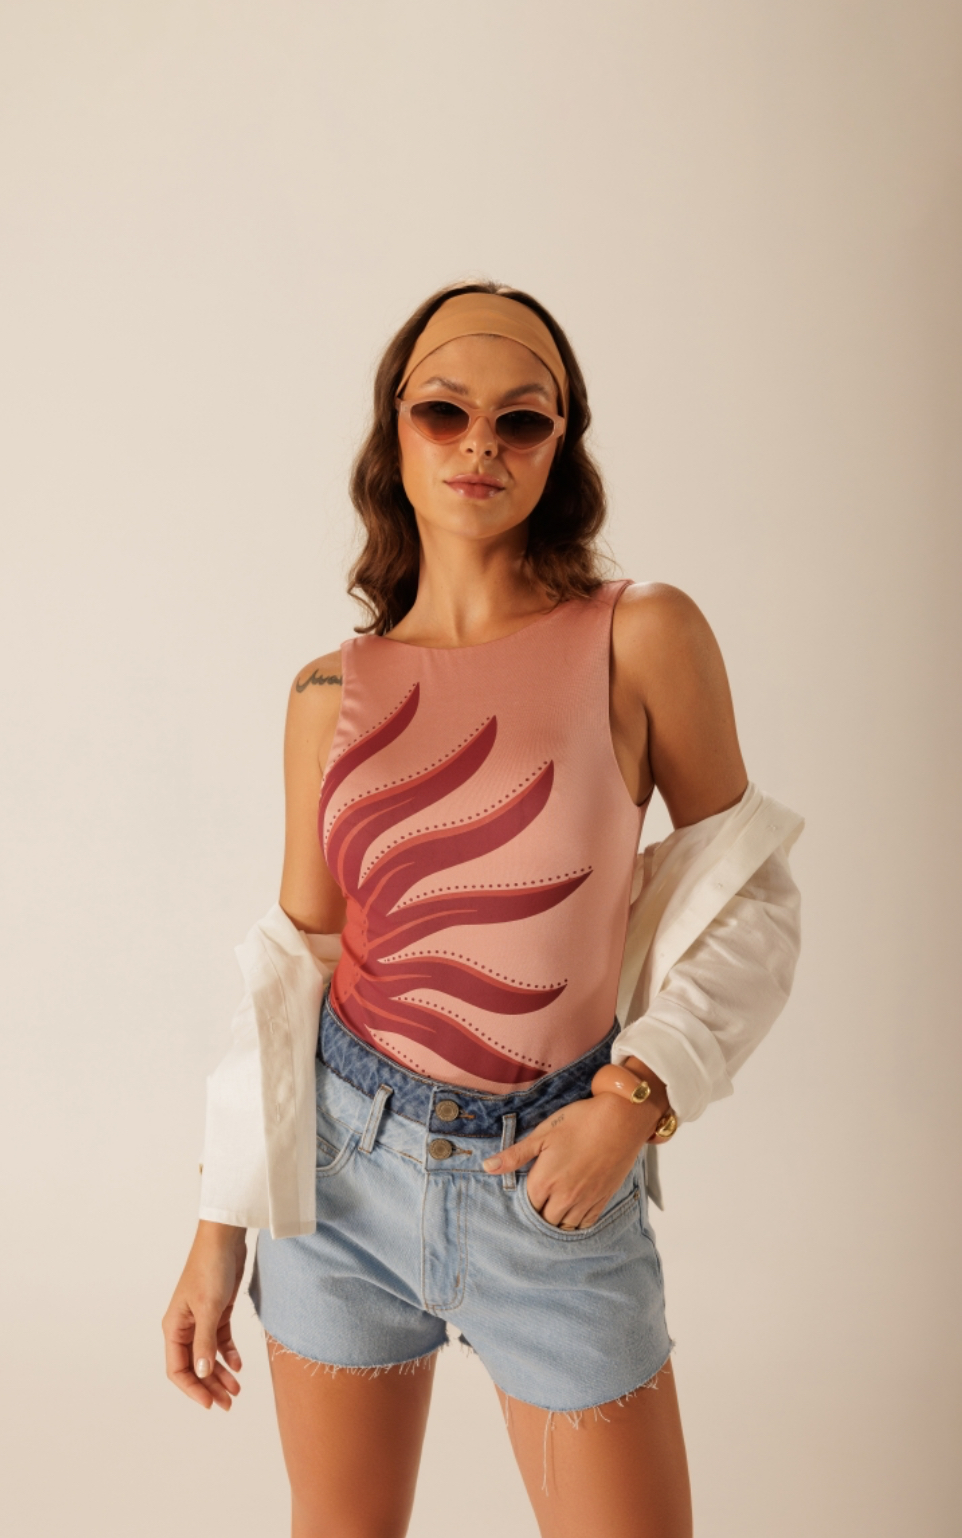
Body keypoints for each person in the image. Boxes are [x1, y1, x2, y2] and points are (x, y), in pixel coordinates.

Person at [162, 282, 803, 1538]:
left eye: (521, 420)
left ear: (560, 445)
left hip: (553, 1179)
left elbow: (752, 902)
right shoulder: (326, 691)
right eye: (443, 411)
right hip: (339, 1178)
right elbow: (294, 964)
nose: (479, 445)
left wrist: (635, 1095)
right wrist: (218, 1220)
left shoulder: (641, 635)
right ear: (392, 433)